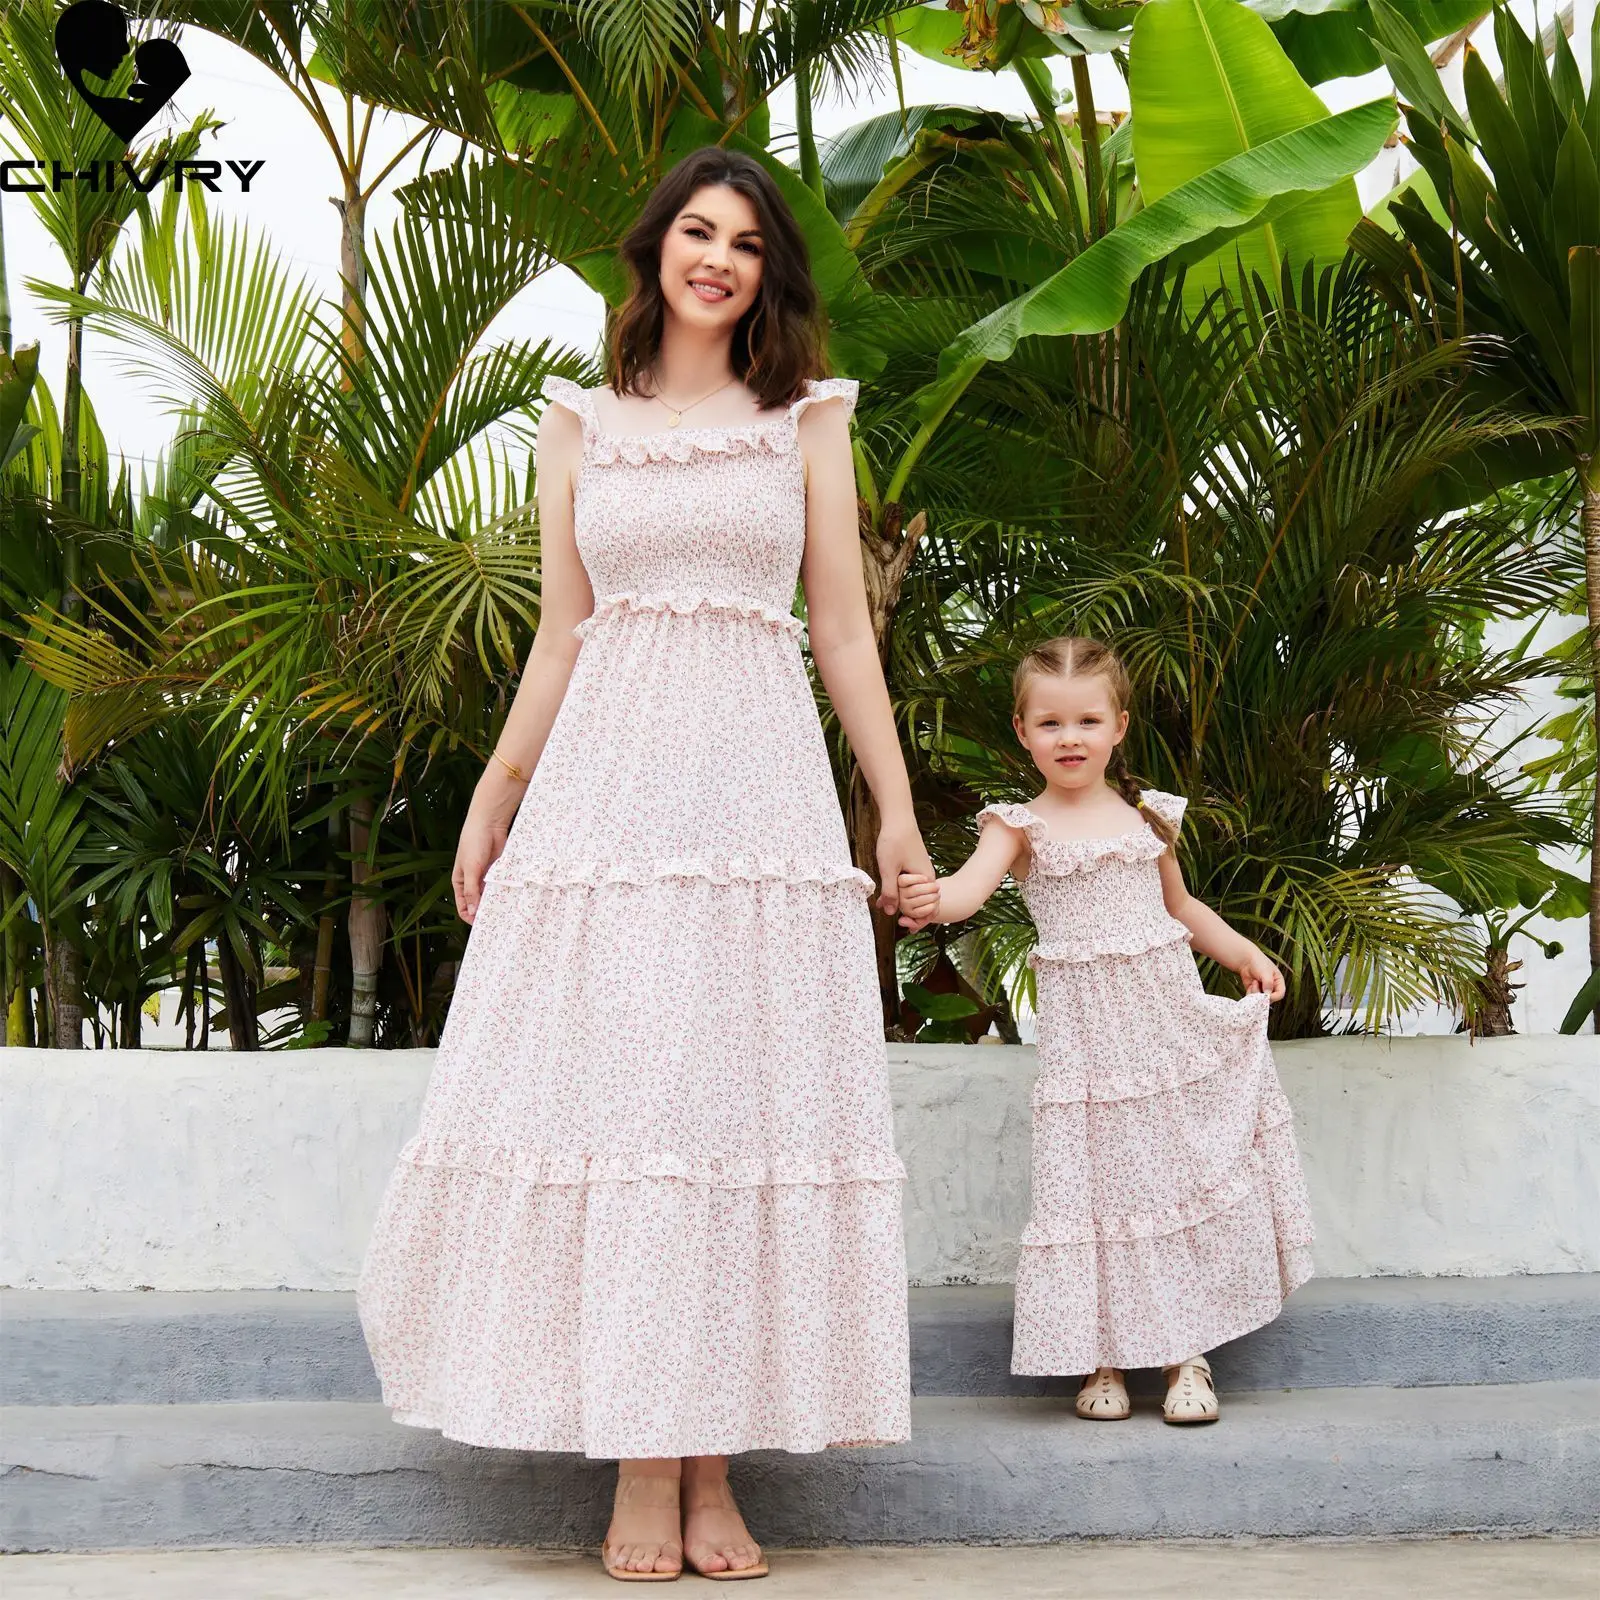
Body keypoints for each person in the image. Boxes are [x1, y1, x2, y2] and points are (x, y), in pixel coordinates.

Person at [357, 146, 932, 1582]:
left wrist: (898, 810)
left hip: (754, 802)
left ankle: (715, 1469)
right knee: (626, 1107)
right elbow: (561, 631)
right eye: (698, 230)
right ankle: (639, 1458)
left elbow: (846, 632)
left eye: (746, 241)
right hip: (609, 804)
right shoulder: (577, 425)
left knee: (728, 1113)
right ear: (655, 248)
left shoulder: (807, 418)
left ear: (767, 274)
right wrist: (495, 794)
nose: (719, 258)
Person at [896, 636, 1314, 1425]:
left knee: (1169, 1181)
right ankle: (1103, 1359)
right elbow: (964, 894)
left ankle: (1184, 1355)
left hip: (1163, 1038)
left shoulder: (1148, 815)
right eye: (1050, 723)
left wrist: (1243, 952)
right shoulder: (1016, 826)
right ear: (1024, 732)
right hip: (1089, 1055)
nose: (1070, 738)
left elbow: (1181, 909)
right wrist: (926, 895)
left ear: (1118, 725)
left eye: (1087, 720)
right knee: (1093, 1193)